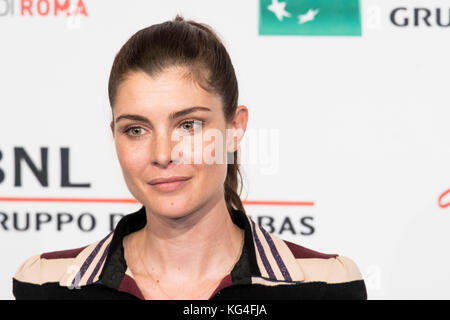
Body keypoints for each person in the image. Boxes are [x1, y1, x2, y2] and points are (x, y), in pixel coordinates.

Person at [12, 14, 367, 300]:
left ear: (235, 127)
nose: (163, 154)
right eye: (136, 129)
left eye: (188, 124)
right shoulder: (46, 284)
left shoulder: (325, 286)